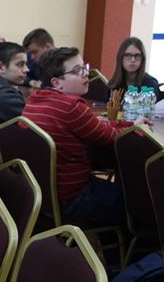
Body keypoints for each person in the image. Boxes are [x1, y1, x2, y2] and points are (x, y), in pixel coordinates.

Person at [23, 47, 148, 229]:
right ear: (57, 82)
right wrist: (136, 128)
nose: (86, 74)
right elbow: (112, 138)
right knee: (143, 201)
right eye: (77, 71)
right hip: (75, 197)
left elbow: (99, 126)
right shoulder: (71, 106)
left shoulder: (35, 100)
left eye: (85, 68)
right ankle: (135, 243)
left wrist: (130, 124)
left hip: (43, 195)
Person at [108, 36, 164, 101]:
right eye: (128, 55)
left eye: (137, 56)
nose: (133, 60)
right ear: (120, 57)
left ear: (142, 59)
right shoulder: (114, 84)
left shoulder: (150, 84)